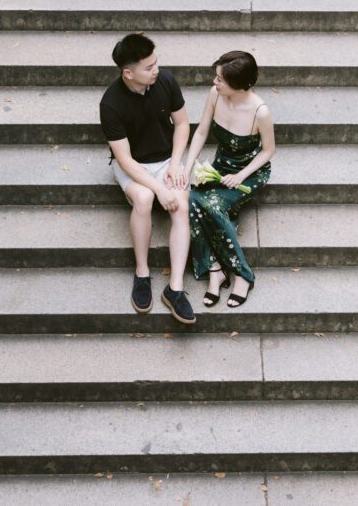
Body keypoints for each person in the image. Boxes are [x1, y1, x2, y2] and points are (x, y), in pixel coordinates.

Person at [99, 33, 195, 324]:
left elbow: (182, 124)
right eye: (149, 67)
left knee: (179, 200)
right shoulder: (111, 103)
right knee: (144, 198)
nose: (156, 70)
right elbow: (125, 159)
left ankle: (175, 288)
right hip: (134, 165)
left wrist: (176, 164)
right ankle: (142, 272)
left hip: (167, 159)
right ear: (128, 72)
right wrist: (157, 189)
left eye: (156, 63)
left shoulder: (165, 81)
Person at [184, 51, 275, 308]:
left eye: (220, 80)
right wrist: (187, 167)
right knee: (192, 199)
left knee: (211, 205)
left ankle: (242, 274)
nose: (215, 83)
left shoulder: (261, 111)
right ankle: (215, 270)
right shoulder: (215, 95)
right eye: (216, 77)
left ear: (237, 85)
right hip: (220, 166)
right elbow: (202, 131)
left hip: (250, 172)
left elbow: (268, 150)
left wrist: (241, 175)